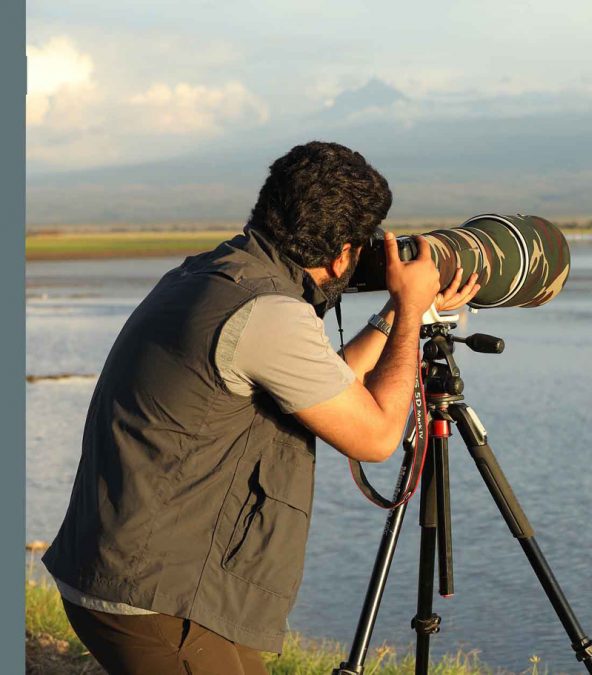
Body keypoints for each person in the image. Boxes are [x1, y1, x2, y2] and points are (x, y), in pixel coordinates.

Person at [41, 141, 480, 674]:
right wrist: (413, 309)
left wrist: (395, 313)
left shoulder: (210, 273)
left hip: (115, 573)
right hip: (157, 599)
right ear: (342, 252)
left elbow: (322, 382)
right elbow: (377, 437)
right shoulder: (268, 313)